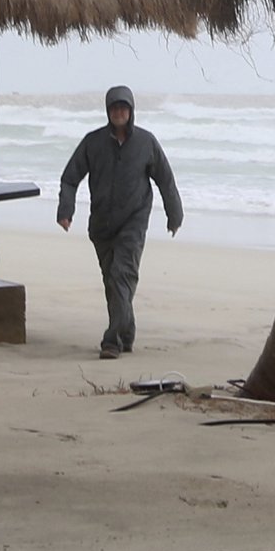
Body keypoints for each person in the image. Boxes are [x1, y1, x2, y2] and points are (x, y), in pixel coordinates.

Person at [56, 85, 181, 358]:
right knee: (113, 281)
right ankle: (126, 332)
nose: (119, 112)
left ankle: (112, 341)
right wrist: (66, 210)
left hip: (134, 220)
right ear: (108, 111)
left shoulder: (146, 143)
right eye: (114, 108)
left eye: (124, 108)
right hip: (101, 224)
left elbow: (165, 179)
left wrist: (175, 214)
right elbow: (70, 177)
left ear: (131, 110)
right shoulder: (93, 142)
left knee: (121, 275)